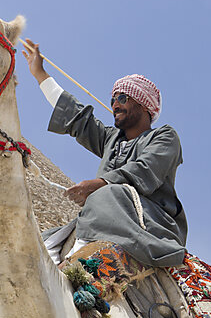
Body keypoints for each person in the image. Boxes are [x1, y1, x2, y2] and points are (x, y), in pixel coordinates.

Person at [22, 40, 187, 267]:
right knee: (46, 239)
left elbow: (145, 170)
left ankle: (77, 263)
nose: (114, 104)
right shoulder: (112, 139)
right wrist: (39, 73)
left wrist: (100, 184)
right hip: (107, 212)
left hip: (150, 220)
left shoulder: (165, 137)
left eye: (122, 98)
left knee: (106, 194)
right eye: (112, 99)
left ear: (144, 105)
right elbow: (77, 118)